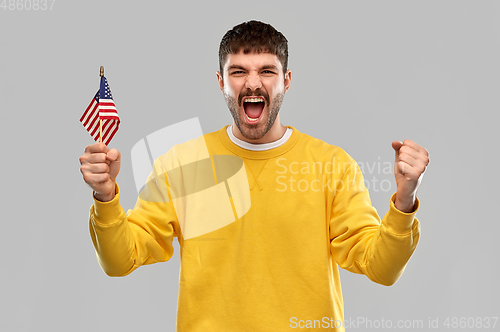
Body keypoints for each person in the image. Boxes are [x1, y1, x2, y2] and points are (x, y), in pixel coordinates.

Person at [79, 20, 430, 331]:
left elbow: (380, 269)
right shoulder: (182, 164)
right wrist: (105, 197)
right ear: (220, 81)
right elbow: (119, 261)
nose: (252, 83)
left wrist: (404, 199)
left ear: (286, 81)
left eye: (267, 71)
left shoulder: (332, 165)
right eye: (238, 72)